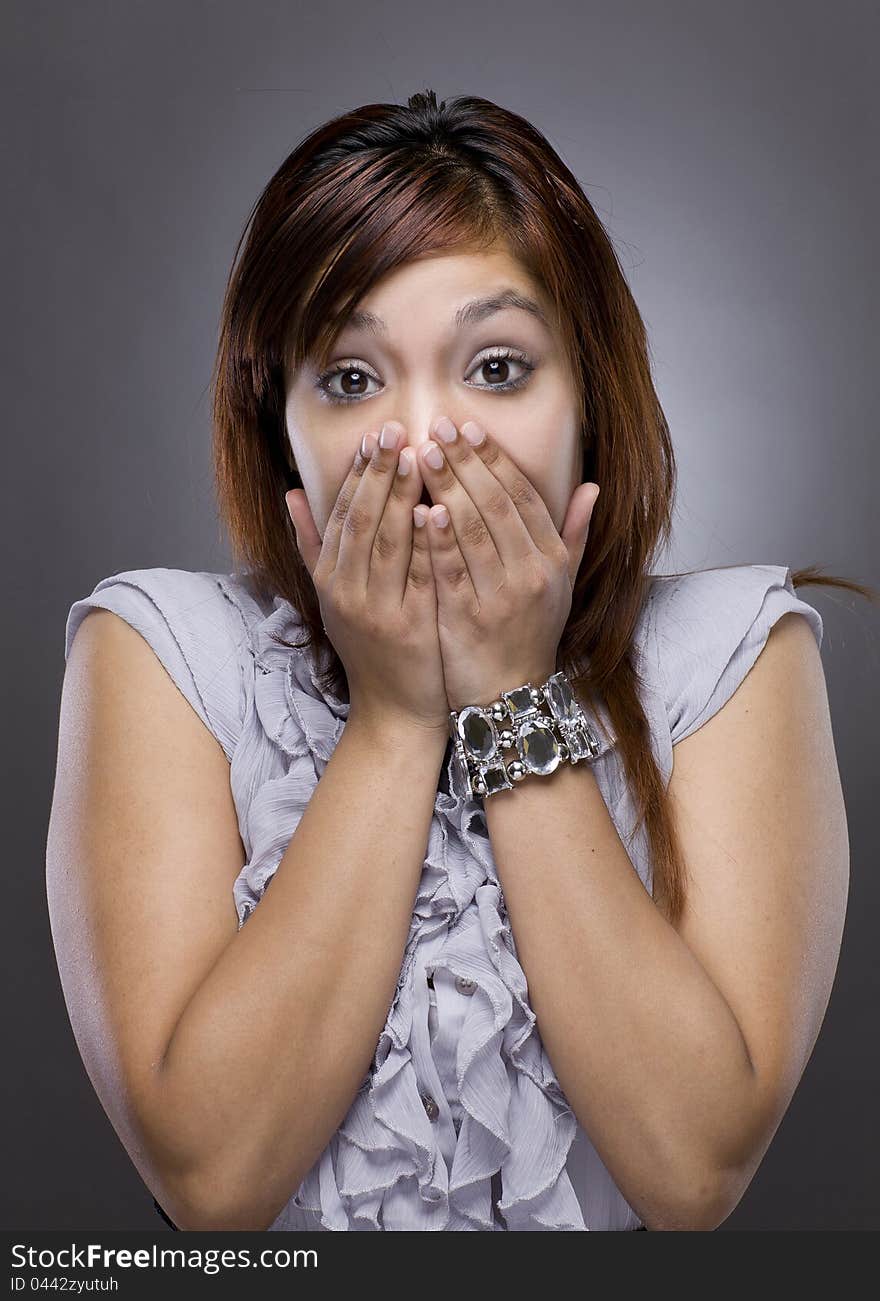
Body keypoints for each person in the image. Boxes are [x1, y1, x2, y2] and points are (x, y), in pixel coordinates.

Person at [47, 89, 867, 1232]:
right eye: (349, 377)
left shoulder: (737, 654)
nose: (427, 441)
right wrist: (392, 715)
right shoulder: (160, 652)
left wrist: (509, 690)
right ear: (276, 425)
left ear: (589, 396)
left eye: (495, 367)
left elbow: (692, 1176)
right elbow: (211, 1183)